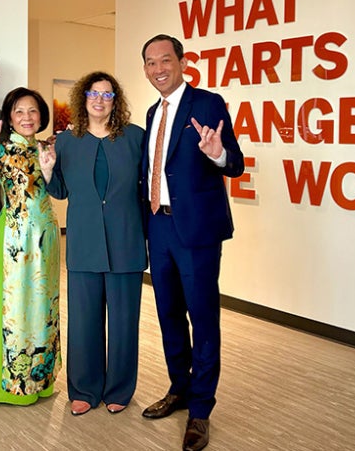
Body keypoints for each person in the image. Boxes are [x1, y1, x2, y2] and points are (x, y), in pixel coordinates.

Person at [139, 34, 245, 451]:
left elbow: (233, 163)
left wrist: (218, 154)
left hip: (197, 230)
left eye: (165, 60)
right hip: (158, 227)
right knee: (168, 316)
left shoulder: (207, 103)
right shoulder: (151, 112)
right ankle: (179, 388)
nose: (158, 69)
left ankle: (200, 410)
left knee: (203, 319)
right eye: (150, 63)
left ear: (182, 62)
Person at [39, 71, 146, 417]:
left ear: (116, 101)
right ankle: (84, 388)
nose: (99, 100)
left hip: (126, 243)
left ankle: (119, 389)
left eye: (107, 94)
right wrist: (47, 171)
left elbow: (148, 191)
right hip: (84, 243)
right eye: (93, 94)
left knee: (124, 323)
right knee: (83, 321)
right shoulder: (67, 142)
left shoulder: (135, 139)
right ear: (82, 99)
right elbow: (60, 192)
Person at [0, 87, 61, 405]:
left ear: (41, 115)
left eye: (33, 111)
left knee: (44, 307)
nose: (27, 117)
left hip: (47, 236)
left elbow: (62, 190)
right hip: (16, 238)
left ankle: (42, 380)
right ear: (9, 118)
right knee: (18, 308)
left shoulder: (49, 149)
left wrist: (51, 169)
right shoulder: (3, 150)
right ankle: (15, 385)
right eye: (19, 111)